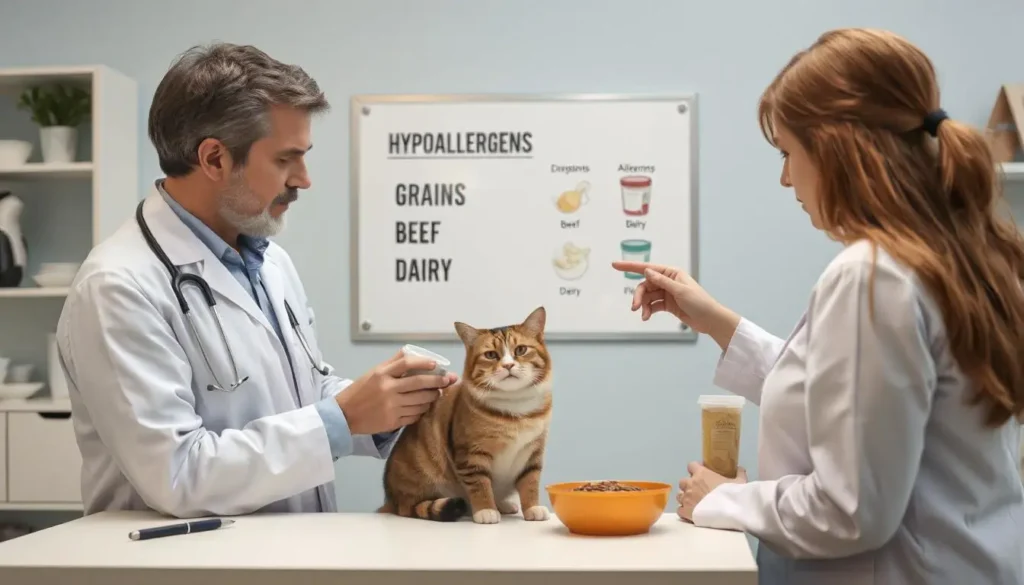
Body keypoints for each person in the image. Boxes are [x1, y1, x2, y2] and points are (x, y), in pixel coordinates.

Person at [614, 28, 1024, 585]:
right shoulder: (959, 256)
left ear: (835, 147)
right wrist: (712, 319)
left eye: (788, 152)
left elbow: (851, 511)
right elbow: (851, 403)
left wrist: (726, 500)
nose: (785, 178)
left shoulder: (872, 275)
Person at [55, 43, 457, 519]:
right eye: (286, 160)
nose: (304, 179)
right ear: (214, 159)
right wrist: (342, 418)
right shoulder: (117, 287)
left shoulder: (269, 262)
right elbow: (178, 475)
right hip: (181, 565)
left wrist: (393, 405)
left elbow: (300, 389)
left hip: (285, 553)